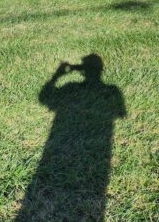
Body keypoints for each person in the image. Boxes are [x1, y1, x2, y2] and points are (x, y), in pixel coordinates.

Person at [17, 54, 126, 221]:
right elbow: (121, 113)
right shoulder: (113, 90)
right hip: (99, 147)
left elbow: (44, 98)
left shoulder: (72, 86)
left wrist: (58, 75)